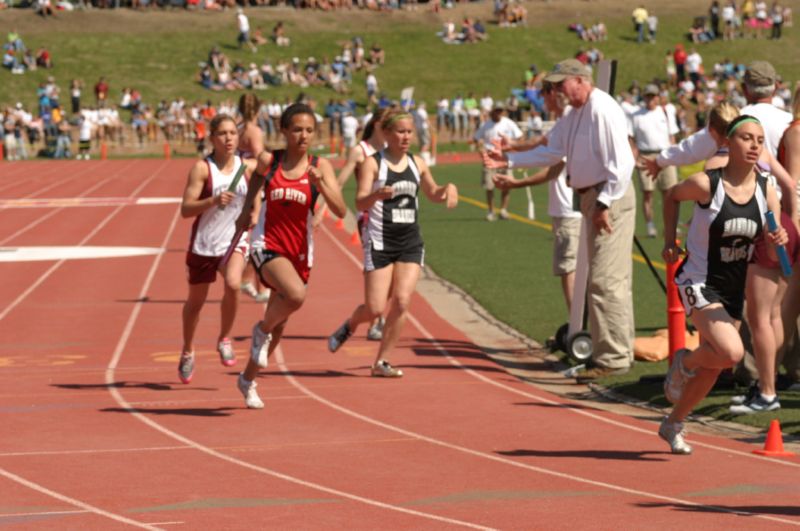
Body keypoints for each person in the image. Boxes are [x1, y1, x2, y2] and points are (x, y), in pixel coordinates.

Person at [484, 58, 636, 383]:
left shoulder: (601, 109)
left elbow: (622, 163)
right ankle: (608, 350)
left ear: (579, 80)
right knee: (600, 278)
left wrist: (605, 203)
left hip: (608, 195)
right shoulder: (574, 114)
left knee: (607, 279)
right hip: (592, 195)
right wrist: (508, 158)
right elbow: (552, 153)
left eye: (560, 84)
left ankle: (615, 356)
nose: (556, 90)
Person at [659, 115, 787, 453]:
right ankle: (684, 362)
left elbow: (773, 250)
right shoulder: (706, 185)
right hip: (697, 280)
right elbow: (671, 195)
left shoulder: (766, 191)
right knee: (730, 353)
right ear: (729, 144)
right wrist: (670, 240)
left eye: (759, 140)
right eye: (746, 138)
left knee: (714, 367)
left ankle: (673, 423)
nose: (754, 145)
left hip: (731, 288)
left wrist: (779, 238)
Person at [327, 109, 458, 378]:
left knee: (402, 299)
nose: (406, 136)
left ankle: (381, 362)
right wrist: (376, 194)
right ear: (386, 134)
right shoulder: (373, 164)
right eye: (401, 131)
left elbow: (432, 193)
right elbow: (359, 202)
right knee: (374, 308)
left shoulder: (417, 163)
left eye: (409, 131)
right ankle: (351, 324)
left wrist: (448, 189)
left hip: (410, 241)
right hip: (380, 240)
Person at [235, 104, 347, 408]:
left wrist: (320, 184)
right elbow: (257, 177)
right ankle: (259, 331)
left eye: (309, 130)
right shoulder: (271, 160)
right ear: (284, 131)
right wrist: (249, 208)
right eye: (297, 129)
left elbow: (341, 210)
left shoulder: (320, 166)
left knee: (279, 326)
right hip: (266, 244)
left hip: (299, 251)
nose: (304, 135)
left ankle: (247, 380)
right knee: (295, 296)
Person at [179, 114, 257, 384]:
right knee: (195, 304)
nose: (229, 138)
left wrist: (255, 211)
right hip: (204, 243)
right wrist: (212, 200)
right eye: (223, 134)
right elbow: (185, 210)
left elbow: (257, 192)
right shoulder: (202, 169)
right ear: (212, 138)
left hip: (234, 239)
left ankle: (224, 337)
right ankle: (188, 349)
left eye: (233, 133)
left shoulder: (245, 167)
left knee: (234, 284)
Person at [493, 80, 581, 314]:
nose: (542, 102)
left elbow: (552, 162)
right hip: (568, 207)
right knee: (574, 269)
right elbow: (540, 143)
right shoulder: (566, 121)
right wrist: (511, 146)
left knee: (569, 269)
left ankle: (578, 327)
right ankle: (581, 325)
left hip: (570, 209)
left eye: (544, 96)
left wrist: (513, 170)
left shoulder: (570, 121)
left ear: (554, 94)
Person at [315, 109, 389, 341]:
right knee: (375, 268)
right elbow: (338, 182)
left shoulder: (392, 150)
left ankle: (376, 313)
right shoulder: (361, 151)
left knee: (394, 275)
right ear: (377, 124)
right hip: (369, 218)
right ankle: (375, 320)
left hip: (394, 218)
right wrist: (321, 211)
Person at [628, 84, 679, 238]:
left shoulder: (666, 112)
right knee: (648, 193)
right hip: (645, 155)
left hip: (665, 155)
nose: (650, 99)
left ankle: (670, 226)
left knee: (669, 193)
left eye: (653, 96)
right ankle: (650, 225)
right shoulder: (636, 115)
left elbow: (672, 137)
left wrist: (676, 155)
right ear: (643, 97)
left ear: (658, 97)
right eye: (648, 96)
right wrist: (634, 157)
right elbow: (631, 139)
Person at [236, 92, 271, 304]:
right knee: (261, 238)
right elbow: (259, 160)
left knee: (255, 238)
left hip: (243, 182)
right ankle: (262, 287)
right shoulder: (254, 131)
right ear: (258, 110)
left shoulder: (240, 129)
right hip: (254, 185)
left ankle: (246, 279)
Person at [473, 102, 523, 221]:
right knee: (489, 186)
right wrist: (481, 149)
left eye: (501, 111)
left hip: (505, 157)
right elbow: (476, 138)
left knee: (507, 184)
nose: (499, 113)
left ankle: (503, 210)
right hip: (490, 158)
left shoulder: (508, 123)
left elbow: (520, 136)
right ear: (492, 112)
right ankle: (491, 211)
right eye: (497, 111)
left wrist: (514, 147)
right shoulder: (486, 125)